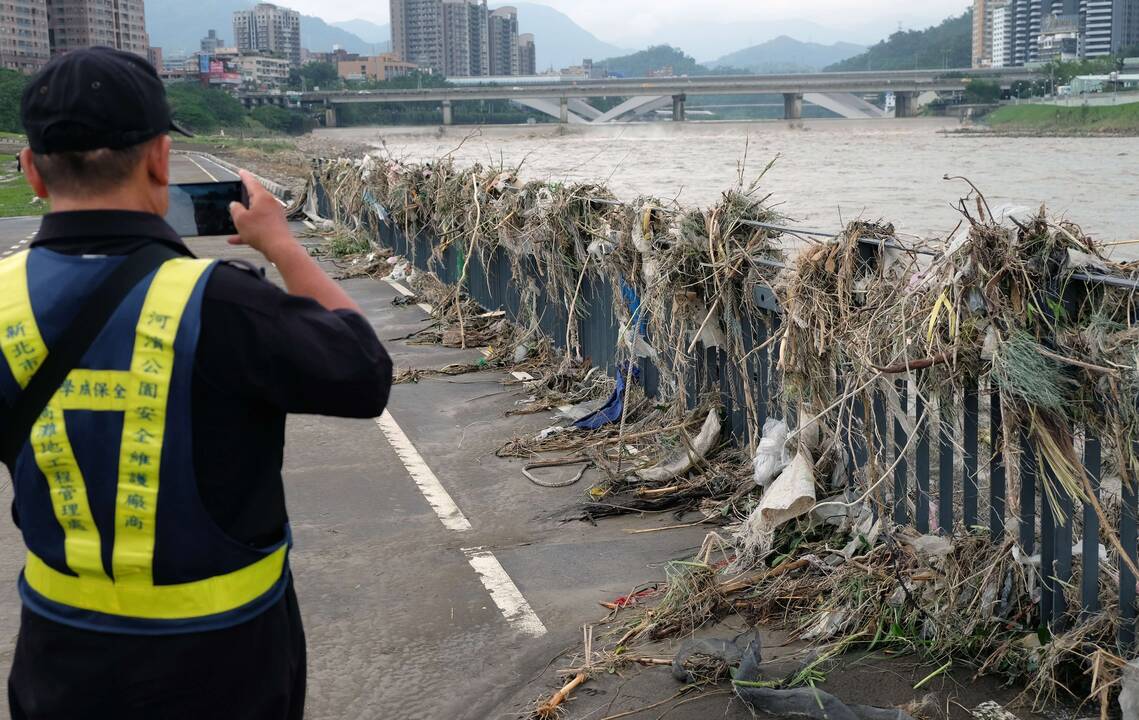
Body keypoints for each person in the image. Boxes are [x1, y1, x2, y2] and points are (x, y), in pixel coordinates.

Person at [0, 47, 392, 718]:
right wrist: (283, 246)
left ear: (33, 170)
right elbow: (363, 374)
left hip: (60, 661)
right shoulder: (224, 306)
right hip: (223, 665)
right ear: (159, 157)